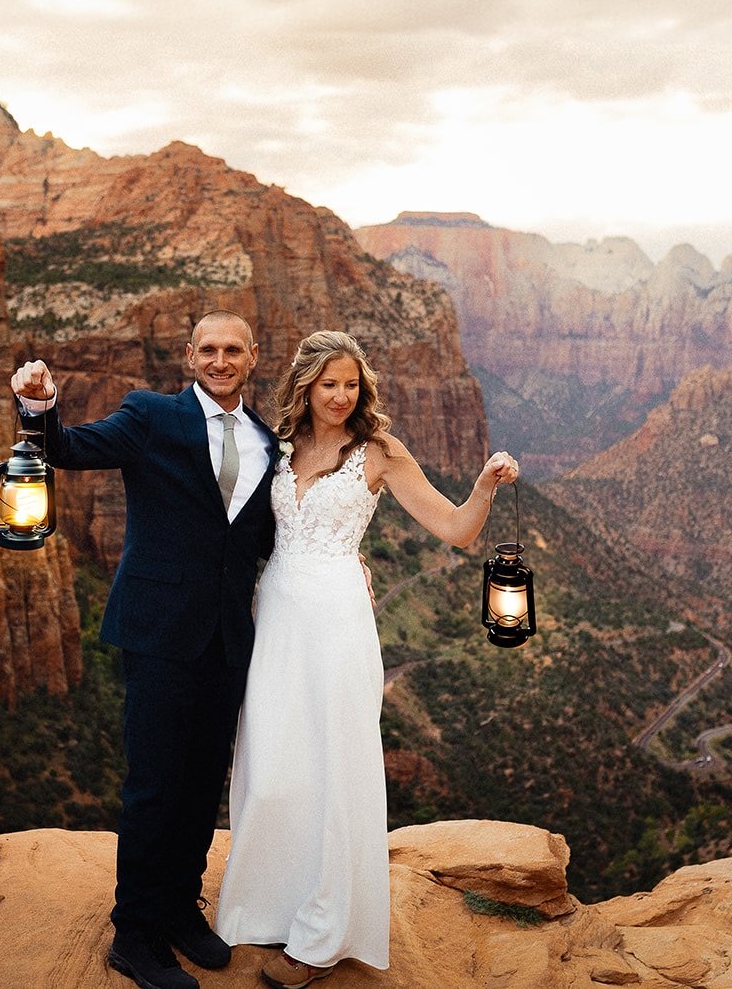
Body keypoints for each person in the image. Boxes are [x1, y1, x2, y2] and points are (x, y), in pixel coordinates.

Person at [214, 330, 520, 989]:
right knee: (272, 767)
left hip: (339, 623)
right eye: (329, 384)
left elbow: (456, 529)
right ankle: (271, 906)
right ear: (305, 386)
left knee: (334, 770)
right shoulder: (277, 446)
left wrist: (484, 485)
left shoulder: (380, 451)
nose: (340, 395)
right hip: (277, 620)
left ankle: (323, 938)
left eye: (351, 384)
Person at [10, 310, 278, 989]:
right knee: (155, 785)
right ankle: (136, 934)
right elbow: (69, 448)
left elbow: (267, 541)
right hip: (158, 633)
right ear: (190, 356)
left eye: (233, 351)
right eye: (208, 349)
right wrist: (38, 407)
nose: (220, 361)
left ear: (254, 357)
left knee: (199, 786)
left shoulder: (267, 442)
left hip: (226, 641)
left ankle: (178, 910)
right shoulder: (151, 415)